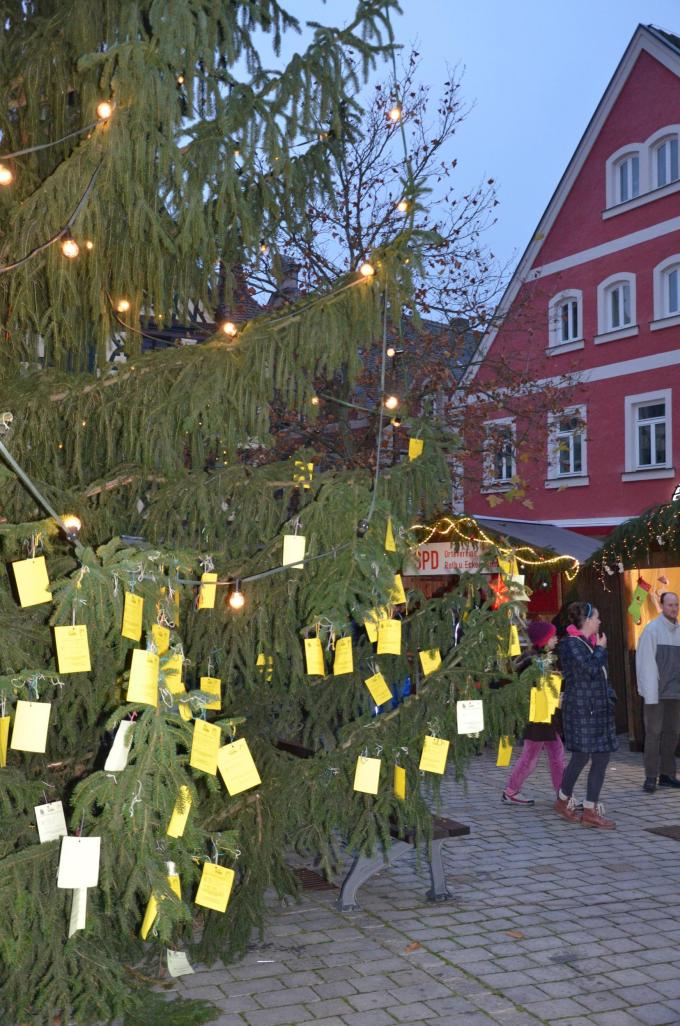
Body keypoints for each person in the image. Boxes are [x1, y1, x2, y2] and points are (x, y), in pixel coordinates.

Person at [554, 601, 617, 829]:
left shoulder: (587, 642)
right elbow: (589, 669)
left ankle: (589, 809)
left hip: (596, 708)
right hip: (582, 711)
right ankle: (563, 800)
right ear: (588, 620)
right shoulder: (571, 644)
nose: (600, 621)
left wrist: (609, 695)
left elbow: (599, 674)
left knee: (600, 756)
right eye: (597, 617)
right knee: (582, 756)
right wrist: (600, 649)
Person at [502, 620, 564, 806]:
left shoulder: (545, 658)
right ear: (544, 640)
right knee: (533, 756)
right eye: (552, 636)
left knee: (555, 753)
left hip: (546, 714)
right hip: (538, 716)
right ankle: (511, 790)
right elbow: (530, 686)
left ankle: (562, 792)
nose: (556, 639)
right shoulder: (534, 661)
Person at [635, 591, 680, 793]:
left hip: (675, 693)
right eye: (670, 604)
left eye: (676, 605)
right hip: (657, 694)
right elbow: (644, 664)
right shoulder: (652, 630)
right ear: (661, 606)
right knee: (653, 734)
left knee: (672, 734)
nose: (674, 608)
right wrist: (650, 693)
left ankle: (668, 775)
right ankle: (651, 777)